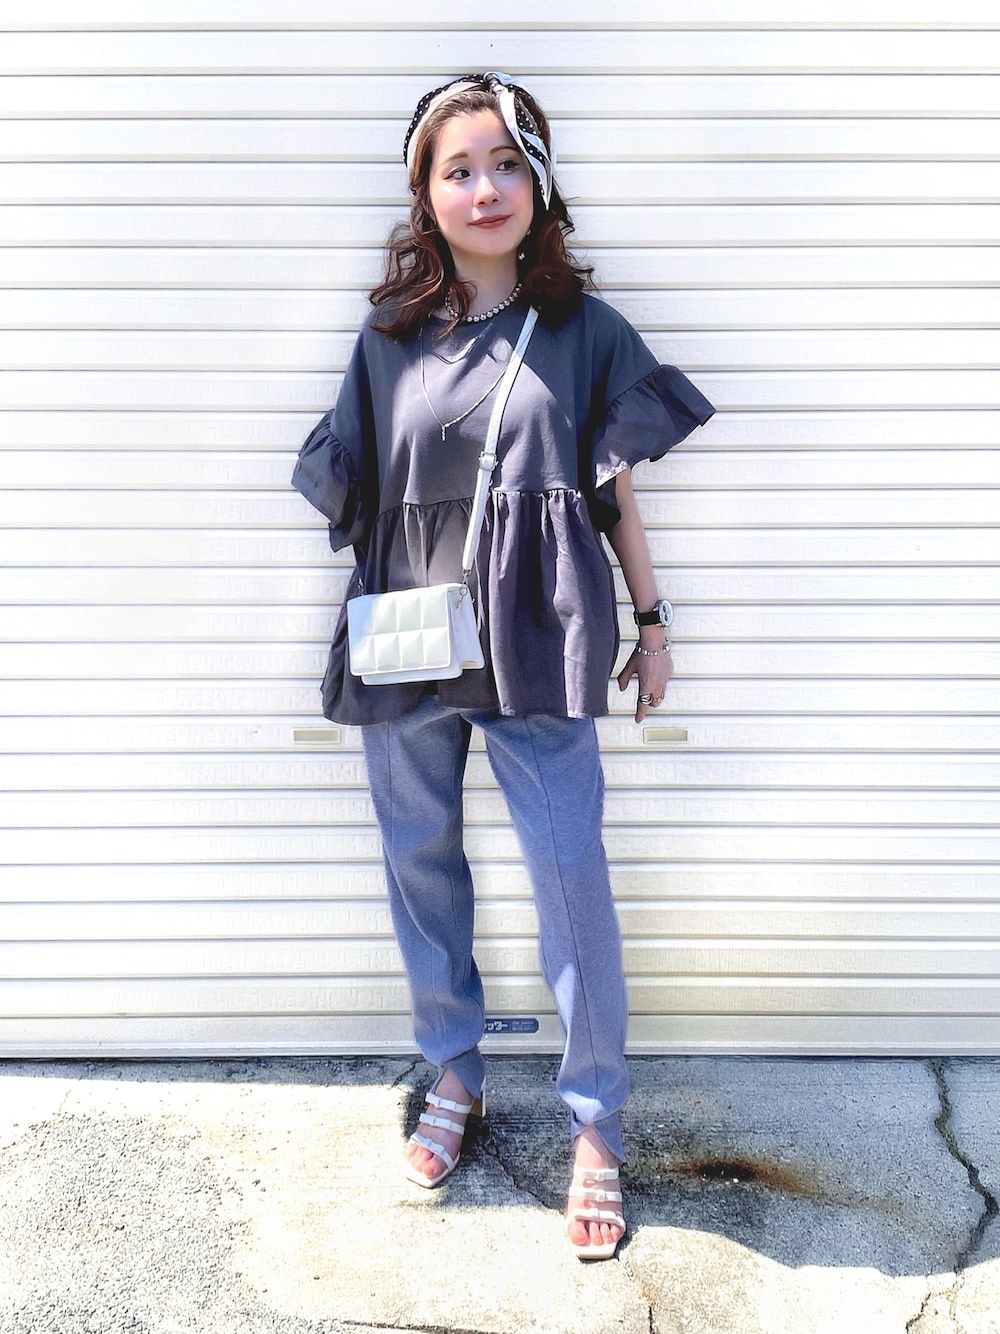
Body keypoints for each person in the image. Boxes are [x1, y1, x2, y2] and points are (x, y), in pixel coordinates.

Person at [292, 71, 714, 1260]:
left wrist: (653, 625)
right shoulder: (385, 340)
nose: (484, 188)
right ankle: (453, 1070)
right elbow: (360, 497)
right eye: (458, 169)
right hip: (410, 639)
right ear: (425, 195)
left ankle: (594, 1121)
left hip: (539, 632)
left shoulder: (588, 331)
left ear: (539, 181)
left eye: (505, 164)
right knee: (418, 863)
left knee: (569, 873)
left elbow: (616, 497)